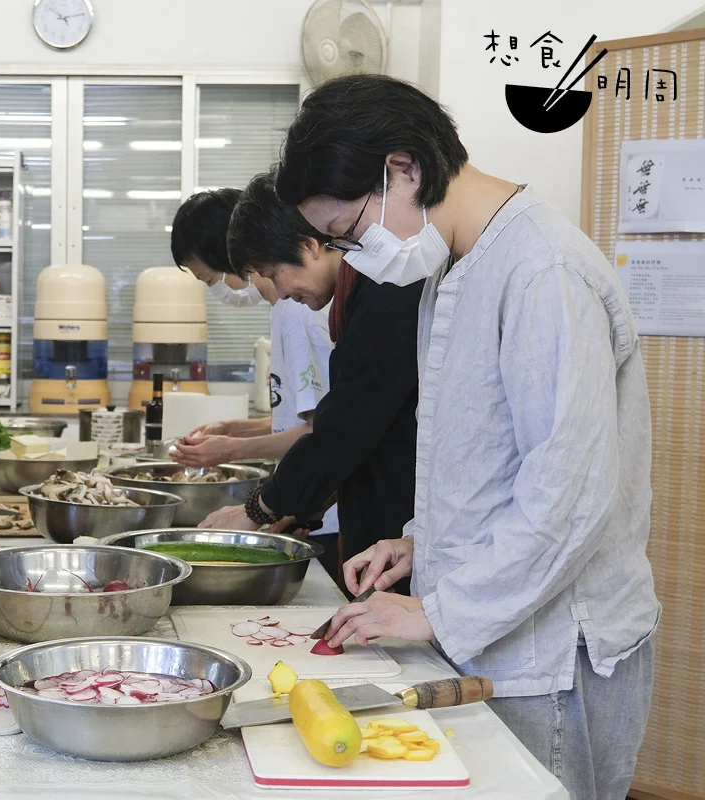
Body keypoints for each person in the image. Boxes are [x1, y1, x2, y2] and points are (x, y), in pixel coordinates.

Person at [277, 74, 660, 800]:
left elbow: (570, 497)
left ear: (403, 169)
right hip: (498, 624)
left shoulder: (541, 270)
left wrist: (437, 610)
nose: (355, 258)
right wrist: (422, 539)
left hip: (553, 649)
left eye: (350, 234)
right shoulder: (454, 269)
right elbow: (485, 455)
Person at [196, 174, 422, 594]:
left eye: (270, 274)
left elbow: (339, 431)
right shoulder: (359, 297)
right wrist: (298, 508)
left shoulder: (385, 293)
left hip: (398, 528)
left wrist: (259, 508)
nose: (279, 293)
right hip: (379, 527)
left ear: (308, 245)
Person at [168, 188, 335, 476]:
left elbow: (321, 431)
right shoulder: (285, 309)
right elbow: (298, 418)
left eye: (210, 279)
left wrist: (232, 449)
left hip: (324, 503)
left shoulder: (300, 309)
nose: (216, 291)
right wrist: (233, 430)